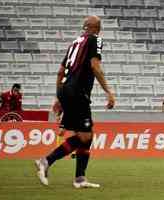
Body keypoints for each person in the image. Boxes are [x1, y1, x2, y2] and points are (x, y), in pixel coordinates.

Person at [35, 15, 115, 188]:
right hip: (78, 91)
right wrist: (108, 92)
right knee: (86, 136)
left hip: (65, 89)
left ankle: (80, 178)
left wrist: (58, 96)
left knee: (85, 137)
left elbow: (60, 72)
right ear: (97, 28)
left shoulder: (74, 43)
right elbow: (95, 66)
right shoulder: (95, 40)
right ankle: (46, 161)